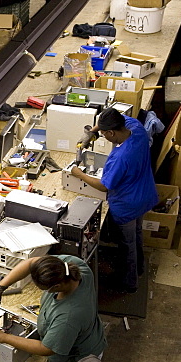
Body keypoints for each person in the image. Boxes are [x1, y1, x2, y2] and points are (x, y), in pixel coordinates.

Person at [70, 107, 158, 294]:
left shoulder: (121, 156)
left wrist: (78, 174)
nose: (103, 137)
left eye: (103, 134)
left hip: (127, 204)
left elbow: (104, 185)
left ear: (112, 132)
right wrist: (92, 132)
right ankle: (140, 268)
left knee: (127, 245)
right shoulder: (136, 129)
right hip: (144, 194)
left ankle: (129, 283)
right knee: (137, 235)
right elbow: (119, 115)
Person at [0, 255, 106, 362]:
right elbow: (31, 263)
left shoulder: (68, 316)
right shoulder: (72, 267)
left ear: (57, 286)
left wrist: (5, 338)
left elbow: (46, 348)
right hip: (87, 335)